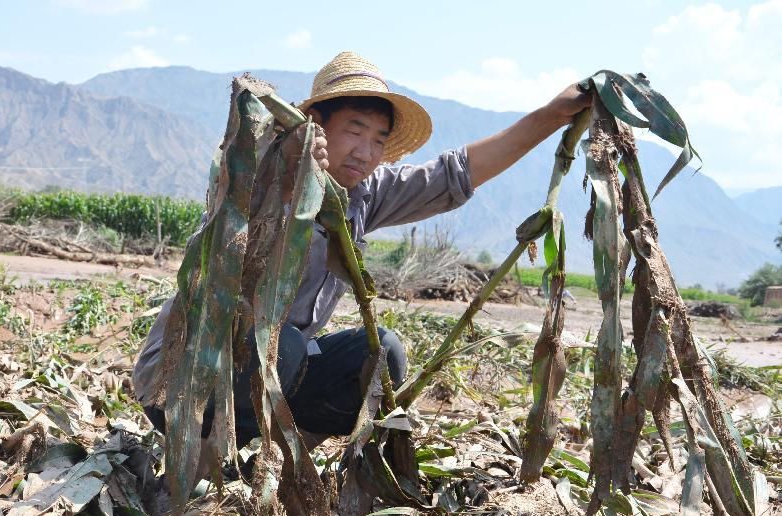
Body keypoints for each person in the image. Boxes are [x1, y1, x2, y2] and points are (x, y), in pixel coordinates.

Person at [133, 51, 590, 448]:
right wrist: (289, 175)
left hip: (271, 377)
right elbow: (230, 212)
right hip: (183, 383)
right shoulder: (263, 175)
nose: (366, 151)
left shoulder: (364, 195)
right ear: (316, 125)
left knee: (379, 356)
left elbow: (454, 175)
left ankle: (286, 453)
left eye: (378, 139)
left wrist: (552, 115)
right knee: (280, 343)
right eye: (354, 130)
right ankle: (214, 464)